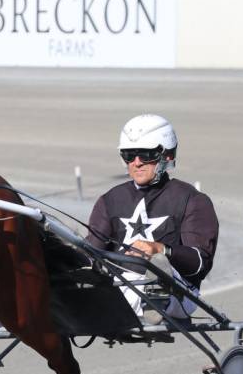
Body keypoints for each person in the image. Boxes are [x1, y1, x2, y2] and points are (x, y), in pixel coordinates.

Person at [87, 114, 218, 320]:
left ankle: (153, 299)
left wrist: (161, 250)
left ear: (166, 155)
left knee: (152, 263)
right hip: (118, 282)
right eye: (129, 155)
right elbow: (91, 253)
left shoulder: (192, 200)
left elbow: (200, 265)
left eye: (145, 154)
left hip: (179, 292)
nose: (136, 163)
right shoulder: (109, 200)